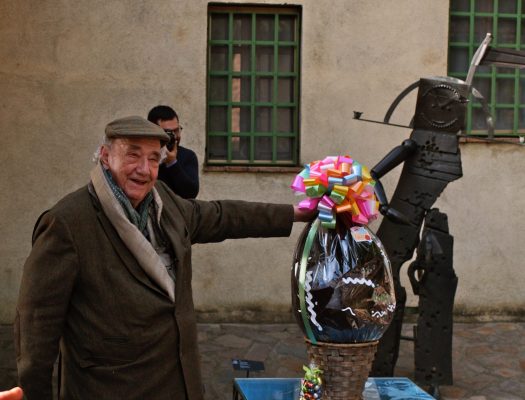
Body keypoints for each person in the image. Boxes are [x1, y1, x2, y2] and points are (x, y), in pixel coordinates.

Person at [15, 116, 314, 400]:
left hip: (177, 385)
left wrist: (298, 213)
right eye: (133, 155)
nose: (144, 170)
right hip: (110, 389)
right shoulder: (67, 223)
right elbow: (36, 335)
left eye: (153, 158)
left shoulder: (164, 202)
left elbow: (223, 216)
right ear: (106, 157)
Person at [147, 105, 199, 199]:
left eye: (177, 130)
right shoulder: (144, 156)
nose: (175, 136)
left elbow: (191, 193)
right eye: (168, 133)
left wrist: (172, 163)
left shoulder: (187, 156)